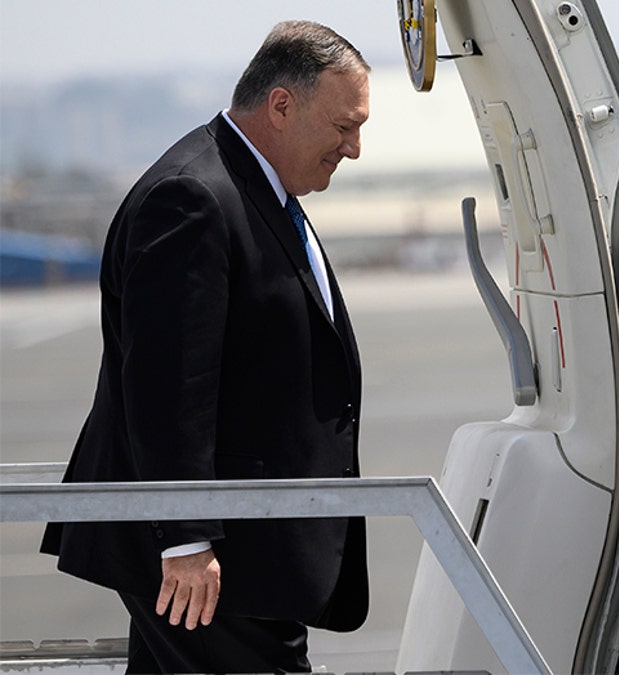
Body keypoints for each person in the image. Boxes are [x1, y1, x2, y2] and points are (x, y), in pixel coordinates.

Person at [40, 20, 371, 673]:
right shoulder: (193, 196)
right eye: (343, 127)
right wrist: (185, 535)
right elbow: (169, 387)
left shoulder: (251, 187)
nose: (355, 148)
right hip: (217, 561)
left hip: (244, 552)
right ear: (282, 105)